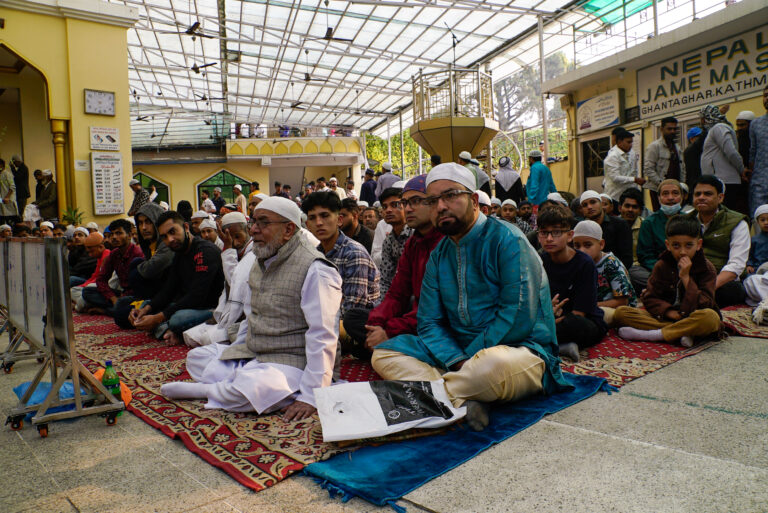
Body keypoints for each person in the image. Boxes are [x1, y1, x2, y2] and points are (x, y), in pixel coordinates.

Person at [371, 163, 572, 431]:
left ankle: (437, 393)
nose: (440, 206)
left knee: (491, 367)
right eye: (432, 200)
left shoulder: (508, 240)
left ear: (474, 200)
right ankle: (465, 396)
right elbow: (429, 321)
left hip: (518, 349)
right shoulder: (439, 255)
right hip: (457, 354)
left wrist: (466, 360)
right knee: (384, 352)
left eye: (450, 196)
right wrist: (457, 360)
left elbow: (517, 316)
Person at [160, 197, 343, 421]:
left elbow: (323, 335)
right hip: (256, 354)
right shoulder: (261, 259)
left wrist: (312, 395)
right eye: (253, 222)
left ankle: (209, 390)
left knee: (257, 387)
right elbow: (251, 317)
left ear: (288, 229)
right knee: (197, 357)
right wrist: (236, 350)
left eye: (263, 223)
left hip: (294, 361)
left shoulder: (316, 269)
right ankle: (244, 383)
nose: (254, 230)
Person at [342, 174, 443, 359]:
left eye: (415, 201)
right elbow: (395, 290)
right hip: (407, 315)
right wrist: (377, 324)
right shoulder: (413, 243)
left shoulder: (446, 243)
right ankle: (383, 345)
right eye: (405, 202)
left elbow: (433, 309)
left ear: (434, 203)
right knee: (353, 317)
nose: (408, 208)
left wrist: (388, 330)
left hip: (431, 321)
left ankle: (381, 348)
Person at [614, 215, 721, 347]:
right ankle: (683, 332)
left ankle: (653, 335)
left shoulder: (707, 268)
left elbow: (705, 304)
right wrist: (670, 313)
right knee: (621, 313)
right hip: (668, 317)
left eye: (689, 245)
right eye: (676, 245)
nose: (682, 252)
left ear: (698, 244)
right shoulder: (662, 264)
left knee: (711, 318)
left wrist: (686, 278)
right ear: (668, 245)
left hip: (694, 316)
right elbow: (650, 298)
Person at [130, 211, 224, 343]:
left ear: (186, 227)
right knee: (144, 307)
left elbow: (197, 297)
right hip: (188, 305)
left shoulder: (205, 251)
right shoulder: (179, 252)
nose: (170, 239)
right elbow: (169, 289)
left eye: (173, 232)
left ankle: (169, 329)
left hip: (210, 308)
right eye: (164, 237)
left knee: (177, 320)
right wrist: (146, 310)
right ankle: (167, 329)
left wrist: (158, 318)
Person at [540, 207, 607, 363]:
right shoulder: (540, 261)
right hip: (551, 317)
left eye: (556, 232)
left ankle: (548, 341)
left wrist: (548, 323)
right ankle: (560, 345)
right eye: (544, 233)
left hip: (582, 321)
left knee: (574, 325)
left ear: (570, 236)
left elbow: (580, 313)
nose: (549, 238)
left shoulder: (584, 263)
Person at [302, 191, 380, 317]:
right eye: (312, 218)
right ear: (307, 226)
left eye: (325, 215)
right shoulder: (315, 254)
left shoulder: (354, 253)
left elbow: (352, 311)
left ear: (339, 220)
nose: (318, 223)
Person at [688, 174, 749, 307]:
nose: (701, 197)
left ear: (720, 197)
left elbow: (736, 265)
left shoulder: (737, 222)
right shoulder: (686, 220)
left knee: (732, 291)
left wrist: (708, 287)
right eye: (697, 194)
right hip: (689, 277)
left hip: (720, 280)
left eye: (708, 194)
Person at [571, 220, 636, 326]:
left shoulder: (611, 264)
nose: (581, 250)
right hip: (590, 308)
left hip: (616, 310)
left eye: (587, 245)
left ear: (601, 244)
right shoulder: (577, 262)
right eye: (577, 246)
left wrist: (588, 307)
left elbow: (622, 302)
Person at [632, 179, 685, 293]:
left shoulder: (690, 220)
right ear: (659, 198)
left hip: (686, 268)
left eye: (675, 193)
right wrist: (664, 270)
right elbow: (645, 256)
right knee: (633, 272)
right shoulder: (649, 223)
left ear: (682, 197)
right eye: (665, 194)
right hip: (660, 271)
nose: (670, 198)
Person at [82, 219, 144, 315]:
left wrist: (121, 299)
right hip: (120, 294)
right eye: (112, 234)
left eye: (119, 233)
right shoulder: (114, 254)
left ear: (129, 235)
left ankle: (108, 310)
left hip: (136, 296)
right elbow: (101, 279)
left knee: (126, 305)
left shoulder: (138, 253)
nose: (114, 237)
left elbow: (141, 286)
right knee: (87, 292)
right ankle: (116, 307)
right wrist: (113, 298)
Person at [700, 104, 746, 214]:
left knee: (724, 215)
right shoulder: (715, 129)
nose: (701, 121)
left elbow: (731, 152)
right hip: (720, 181)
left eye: (702, 118)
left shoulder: (719, 128)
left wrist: (742, 170)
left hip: (725, 181)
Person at [579, 190, 633, 269]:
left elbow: (627, 259)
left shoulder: (620, 224)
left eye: (593, 202)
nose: (589, 207)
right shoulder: (580, 229)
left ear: (601, 204)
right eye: (585, 205)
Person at [644, 117, 685, 210]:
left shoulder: (677, 148)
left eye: (674, 129)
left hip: (676, 190)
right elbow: (648, 169)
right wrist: (662, 185)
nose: (672, 131)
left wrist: (682, 186)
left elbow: (682, 169)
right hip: (658, 190)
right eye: (669, 129)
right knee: (660, 215)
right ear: (662, 129)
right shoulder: (654, 147)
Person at [378, 187, 412, 298]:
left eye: (394, 205)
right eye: (384, 207)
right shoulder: (388, 241)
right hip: (397, 296)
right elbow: (385, 279)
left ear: (405, 206)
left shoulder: (415, 235)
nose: (388, 210)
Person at [71, 232, 111, 311]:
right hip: (93, 286)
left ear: (100, 247)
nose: (90, 255)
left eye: (91, 252)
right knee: (73, 290)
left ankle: (78, 306)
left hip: (104, 287)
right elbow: (95, 275)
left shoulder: (107, 256)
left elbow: (102, 280)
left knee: (87, 291)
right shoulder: (99, 257)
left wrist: (86, 287)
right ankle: (86, 303)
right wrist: (83, 286)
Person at [604, 129, 645, 202]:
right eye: (628, 142)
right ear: (619, 142)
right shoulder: (612, 156)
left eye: (631, 142)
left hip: (630, 194)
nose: (631, 145)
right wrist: (635, 179)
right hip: (616, 196)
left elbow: (634, 172)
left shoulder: (632, 153)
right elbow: (615, 178)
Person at [748, 86, 768, 217]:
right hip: (760, 180)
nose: (767, 98)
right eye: (765, 95)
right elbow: (753, 151)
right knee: (759, 216)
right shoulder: (756, 124)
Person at [219, 212, 253, 285]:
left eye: (237, 236)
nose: (235, 243)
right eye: (230, 239)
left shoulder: (254, 253)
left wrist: (228, 249)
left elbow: (235, 282)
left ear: (247, 230)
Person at [618, 188, 644, 268]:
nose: (630, 210)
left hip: (639, 267)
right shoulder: (613, 225)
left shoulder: (645, 226)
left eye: (634, 207)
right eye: (627, 206)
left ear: (640, 211)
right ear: (620, 208)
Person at [747, 204, 768, 275]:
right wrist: (749, 265)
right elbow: (749, 255)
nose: (766, 222)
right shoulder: (754, 239)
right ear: (758, 222)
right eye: (763, 220)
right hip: (757, 269)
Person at [684, 127, 704, 197]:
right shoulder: (690, 150)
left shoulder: (700, 150)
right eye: (698, 137)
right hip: (694, 183)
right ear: (691, 139)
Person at [0, 159, 18, 225]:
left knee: (10, 218)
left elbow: (12, 186)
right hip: (1, 200)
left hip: (9, 199)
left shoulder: (7, 174)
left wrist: (7, 197)